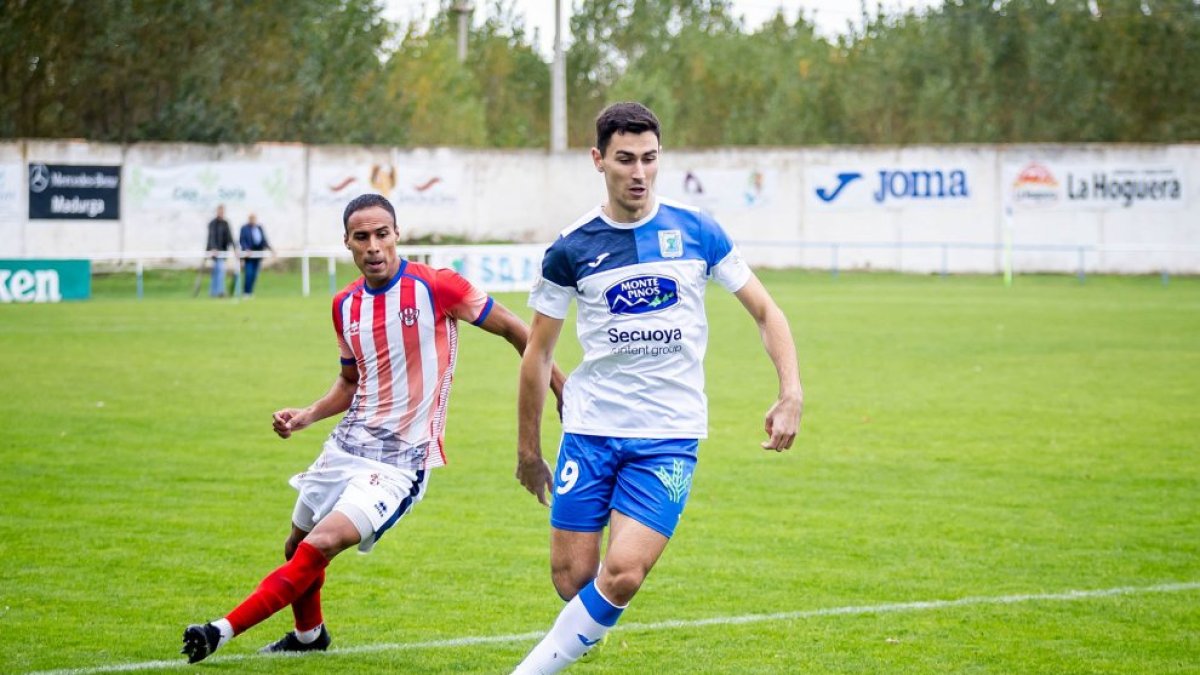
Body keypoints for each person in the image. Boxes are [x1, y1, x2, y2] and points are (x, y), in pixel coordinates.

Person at [181, 193, 564, 664]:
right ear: (347, 243)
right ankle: (308, 637)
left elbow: (516, 331)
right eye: (362, 237)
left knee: (320, 545)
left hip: (402, 462)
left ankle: (220, 631)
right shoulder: (345, 305)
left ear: (397, 234)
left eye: (382, 234)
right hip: (347, 444)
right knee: (297, 546)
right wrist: (306, 415)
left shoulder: (437, 287)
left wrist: (561, 388)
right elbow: (350, 381)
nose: (374, 246)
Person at [512, 102, 803, 674]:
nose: (639, 173)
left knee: (621, 573)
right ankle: (572, 645)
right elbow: (537, 354)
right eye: (625, 160)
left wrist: (790, 390)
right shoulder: (571, 248)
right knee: (573, 580)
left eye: (649, 159)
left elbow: (766, 311)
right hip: (591, 430)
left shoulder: (697, 231)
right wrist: (528, 451)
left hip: (667, 436)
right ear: (599, 161)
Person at [238, 213, 274, 297]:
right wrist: (246, 249)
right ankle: (246, 292)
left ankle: (250, 292)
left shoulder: (259, 228)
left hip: (258, 255)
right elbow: (242, 240)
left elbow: (264, 240)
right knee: (249, 274)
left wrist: (271, 249)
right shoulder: (244, 228)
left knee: (254, 274)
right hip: (248, 256)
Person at [204, 204, 236, 298]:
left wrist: (235, 248)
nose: (221, 213)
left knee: (217, 271)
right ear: (217, 212)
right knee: (220, 269)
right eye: (220, 211)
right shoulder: (212, 223)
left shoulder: (226, 223)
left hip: (223, 251)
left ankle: (213, 292)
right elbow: (211, 237)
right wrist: (213, 248)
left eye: (222, 211)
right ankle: (220, 291)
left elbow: (230, 237)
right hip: (214, 252)